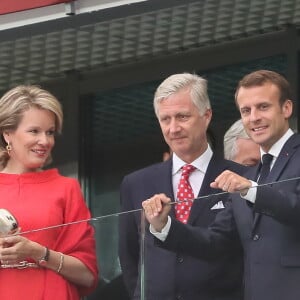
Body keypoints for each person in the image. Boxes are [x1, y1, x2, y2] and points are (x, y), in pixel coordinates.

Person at [142, 70, 300, 300]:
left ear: (286, 108)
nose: (253, 117)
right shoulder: (250, 174)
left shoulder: (246, 182)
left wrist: (251, 190)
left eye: (263, 107)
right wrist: (163, 225)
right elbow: (215, 243)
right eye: (246, 111)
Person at [119, 73, 246, 300]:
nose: (173, 128)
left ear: (206, 116)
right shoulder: (136, 183)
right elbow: (130, 259)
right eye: (165, 119)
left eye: (182, 117)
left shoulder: (240, 177)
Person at [0, 85, 98, 299]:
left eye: (50, 132)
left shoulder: (66, 188)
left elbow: (87, 274)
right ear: (7, 133)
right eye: (34, 131)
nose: (45, 141)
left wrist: (37, 253)